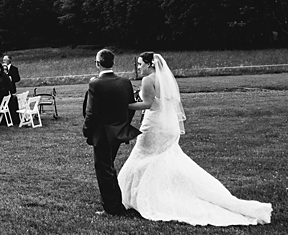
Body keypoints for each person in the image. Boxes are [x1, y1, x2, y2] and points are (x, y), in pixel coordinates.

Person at [119, 52, 271, 225]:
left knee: (143, 157)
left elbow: (147, 104)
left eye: (141, 64)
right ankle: (160, 190)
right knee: (162, 159)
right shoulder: (166, 79)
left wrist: (123, 105)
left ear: (150, 64)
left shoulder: (148, 80)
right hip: (170, 125)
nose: (139, 68)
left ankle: (142, 195)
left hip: (154, 125)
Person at [82, 49, 140, 216]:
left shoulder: (95, 84)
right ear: (113, 63)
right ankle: (115, 202)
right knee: (108, 167)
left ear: (98, 64)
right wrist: (123, 124)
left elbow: (91, 112)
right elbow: (130, 107)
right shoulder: (125, 82)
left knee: (103, 169)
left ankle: (112, 208)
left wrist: (87, 130)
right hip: (119, 131)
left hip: (102, 134)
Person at [1, 54, 21, 127]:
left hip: (12, 88)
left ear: (9, 60)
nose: (4, 61)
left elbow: (18, 78)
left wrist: (11, 79)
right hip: (3, 89)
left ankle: (14, 118)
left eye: (5, 60)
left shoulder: (14, 69)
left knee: (12, 102)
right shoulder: (1, 69)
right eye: (3, 60)